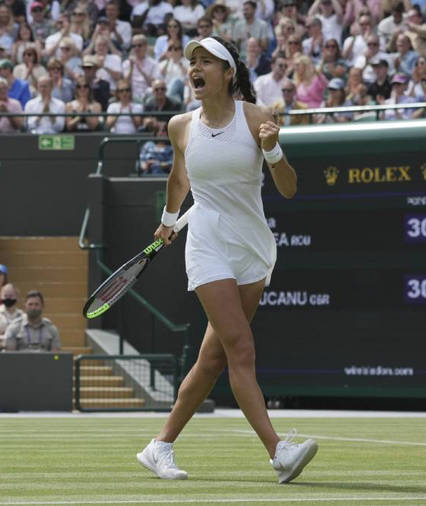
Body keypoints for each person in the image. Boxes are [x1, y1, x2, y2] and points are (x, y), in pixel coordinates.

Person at [137, 36, 316, 483]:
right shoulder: (181, 125)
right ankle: (279, 452)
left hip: (252, 246)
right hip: (207, 241)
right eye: (191, 62)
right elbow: (179, 178)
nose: (195, 68)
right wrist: (167, 220)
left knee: (213, 360)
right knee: (241, 347)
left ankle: (159, 446)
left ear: (228, 72)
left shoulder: (258, 118)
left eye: (206, 62)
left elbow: (289, 188)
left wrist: (273, 150)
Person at [124, 35, 160, 102]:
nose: (136, 48)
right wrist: (131, 68)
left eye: (139, 45)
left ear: (146, 46)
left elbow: (153, 84)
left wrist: (140, 70)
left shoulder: (153, 63)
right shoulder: (127, 63)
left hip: (148, 95)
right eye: (134, 46)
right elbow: (125, 84)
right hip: (131, 94)